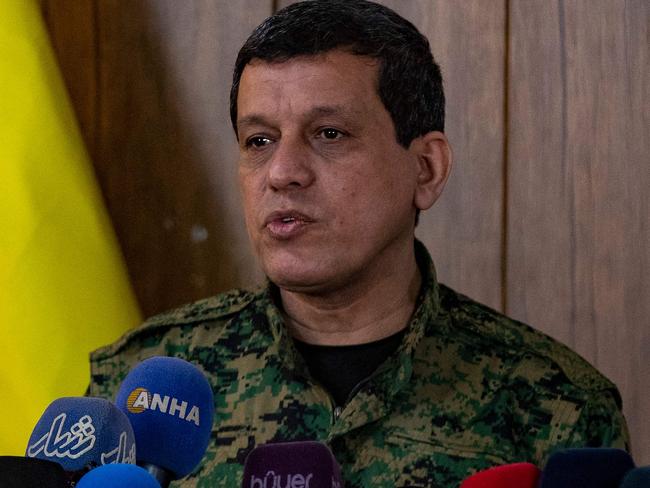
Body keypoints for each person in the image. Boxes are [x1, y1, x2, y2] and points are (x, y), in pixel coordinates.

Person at [88, 1, 629, 486]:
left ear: (426, 168)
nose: (282, 172)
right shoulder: (139, 386)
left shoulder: (555, 405)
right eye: (259, 140)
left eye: (329, 134)